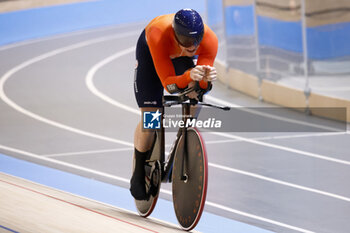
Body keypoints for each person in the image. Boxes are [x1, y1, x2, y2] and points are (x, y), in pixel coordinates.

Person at [131, 8, 218, 200]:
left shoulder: (210, 40)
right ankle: (138, 170)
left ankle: (185, 137)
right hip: (151, 53)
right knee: (150, 118)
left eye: (196, 41)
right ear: (175, 34)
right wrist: (188, 75)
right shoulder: (159, 34)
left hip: (176, 58)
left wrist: (206, 80)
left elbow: (201, 85)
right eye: (186, 41)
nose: (192, 47)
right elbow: (169, 85)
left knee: (196, 94)